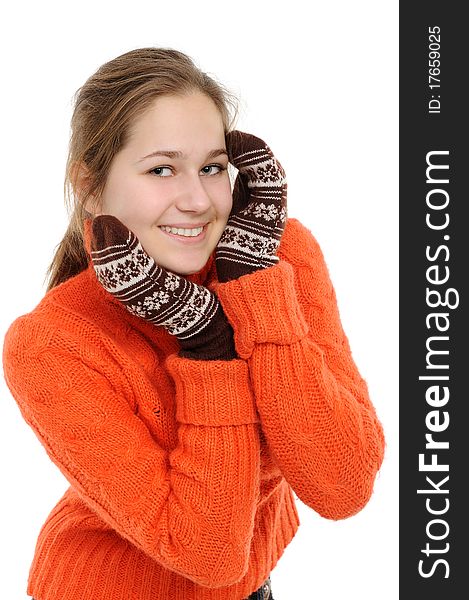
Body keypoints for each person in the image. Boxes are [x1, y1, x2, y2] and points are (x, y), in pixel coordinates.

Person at [2, 47, 385, 600]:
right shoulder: (50, 344)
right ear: (89, 186)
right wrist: (207, 346)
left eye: (211, 168)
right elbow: (208, 550)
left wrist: (255, 286)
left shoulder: (279, 260)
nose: (198, 200)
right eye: (161, 169)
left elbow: (342, 486)